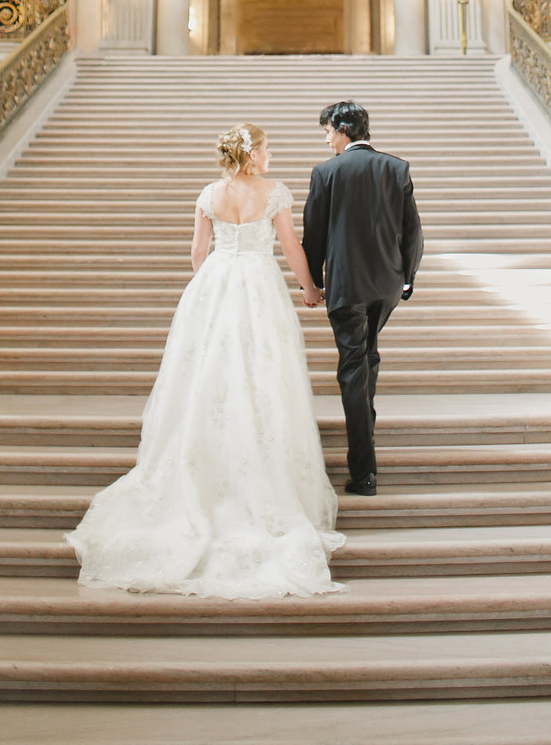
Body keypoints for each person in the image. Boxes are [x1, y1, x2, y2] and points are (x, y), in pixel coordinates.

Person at [65, 122, 344, 597]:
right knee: (262, 373)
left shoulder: (209, 193)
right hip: (258, 284)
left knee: (207, 377)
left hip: (215, 284)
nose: (270, 156)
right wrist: (311, 288)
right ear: (253, 153)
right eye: (267, 149)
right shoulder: (274, 192)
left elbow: (198, 252)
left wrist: (209, 288)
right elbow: (291, 247)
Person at [302, 100, 423, 498]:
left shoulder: (326, 172)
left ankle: (364, 471)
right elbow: (412, 231)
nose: (326, 140)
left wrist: (313, 283)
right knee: (366, 356)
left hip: (346, 287)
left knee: (353, 367)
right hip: (386, 284)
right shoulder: (396, 167)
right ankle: (364, 431)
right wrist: (407, 276)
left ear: (343, 128)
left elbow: (314, 235)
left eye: (327, 131)